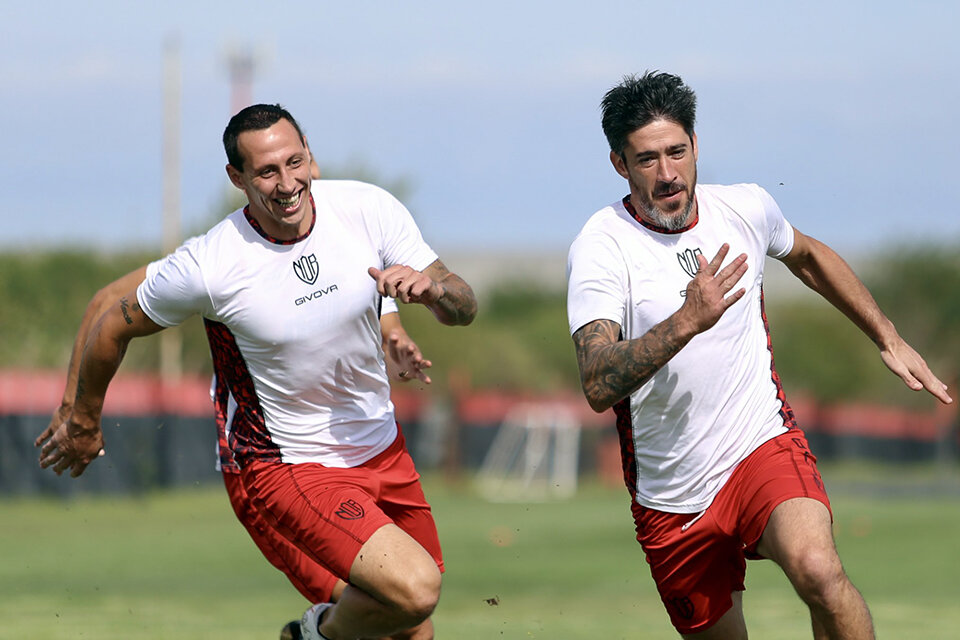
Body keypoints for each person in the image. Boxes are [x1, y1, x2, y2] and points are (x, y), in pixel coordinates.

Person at [39, 103, 477, 640]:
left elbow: (462, 304)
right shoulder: (213, 262)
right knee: (413, 593)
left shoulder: (368, 208)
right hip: (281, 463)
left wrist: (432, 293)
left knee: (412, 624)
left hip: (381, 447)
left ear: (310, 154)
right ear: (237, 178)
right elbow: (111, 317)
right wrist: (80, 416)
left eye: (295, 163)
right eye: (268, 172)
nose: (288, 183)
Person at [566, 71, 951, 640]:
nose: (668, 174)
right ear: (620, 165)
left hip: (758, 444)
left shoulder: (745, 208)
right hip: (672, 495)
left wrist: (887, 335)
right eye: (647, 160)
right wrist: (685, 323)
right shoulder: (602, 246)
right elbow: (598, 382)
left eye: (677, 152)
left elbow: (809, 257)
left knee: (819, 571)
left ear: (697, 146)